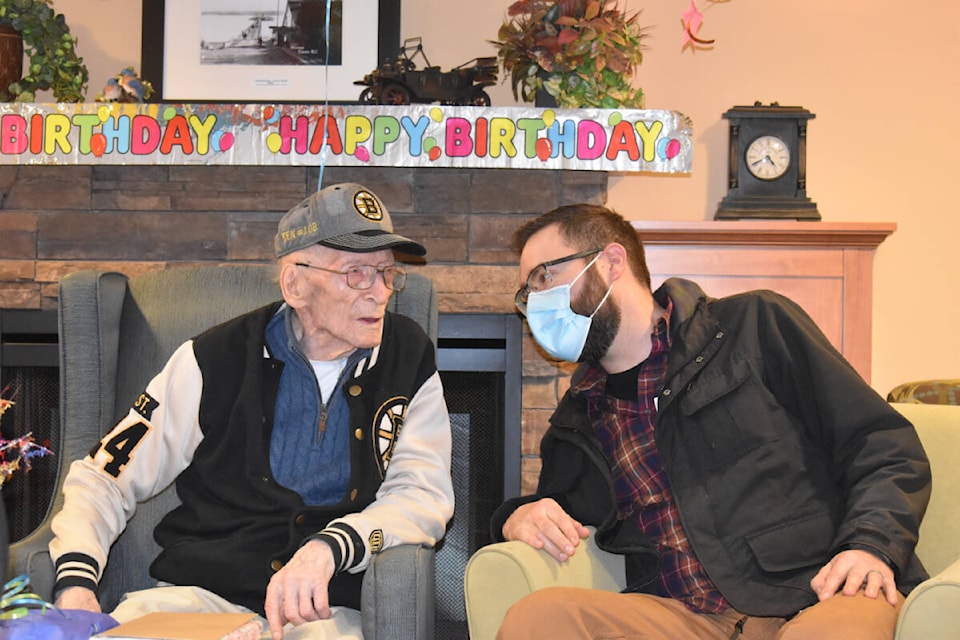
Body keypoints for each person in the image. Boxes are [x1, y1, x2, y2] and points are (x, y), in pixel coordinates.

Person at [492, 203, 930, 640]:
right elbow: (555, 509)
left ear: (610, 262)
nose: (533, 305)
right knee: (541, 617)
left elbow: (882, 444)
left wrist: (871, 545)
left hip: (822, 592)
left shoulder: (754, 326)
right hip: (685, 617)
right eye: (527, 293)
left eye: (544, 277)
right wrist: (517, 515)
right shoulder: (579, 418)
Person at [49, 182, 455, 640]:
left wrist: (333, 546)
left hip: (325, 612)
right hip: (200, 599)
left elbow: (424, 495)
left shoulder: (407, 357)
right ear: (295, 283)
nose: (380, 292)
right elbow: (104, 476)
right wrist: (77, 585)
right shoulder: (211, 359)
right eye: (357, 272)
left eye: (386, 273)